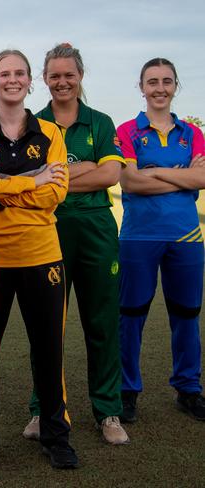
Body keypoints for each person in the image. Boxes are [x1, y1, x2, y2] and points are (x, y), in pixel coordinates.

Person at [20, 43, 129, 445]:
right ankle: (42, 409)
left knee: (101, 322)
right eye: (54, 75)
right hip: (46, 227)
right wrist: (84, 168)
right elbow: (28, 180)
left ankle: (108, 411)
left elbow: (110, 175)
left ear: (80, 76)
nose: (62, 82)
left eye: (69, 74)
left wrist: (58, 176)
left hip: (97, 229)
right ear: (43, 80)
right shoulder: (33, 123)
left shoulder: (100, 122)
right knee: (47, 326)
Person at [0, 49, 78, 469]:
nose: (12, 79)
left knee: (48, 350)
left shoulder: (50, 132)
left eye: (19, 73)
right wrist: (28, 181)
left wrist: (5, 185)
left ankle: (55, 435)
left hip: (41, 256)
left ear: (29, 80)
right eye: (4, 73)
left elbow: (55, 191)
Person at [116, 58, 205, 423]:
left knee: (186, 313)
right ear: (142, 87)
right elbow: (130, 182)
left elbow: (202, 179)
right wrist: (180, 175)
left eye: (167, 81)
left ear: (175, 86)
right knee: (131, 314)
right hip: (139, 235)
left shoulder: (192, 133)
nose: (159, 87)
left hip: (186, 235)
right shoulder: (126, 131)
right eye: (152, 81)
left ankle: (188, 389)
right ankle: (127, 391)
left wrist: (155, 171)